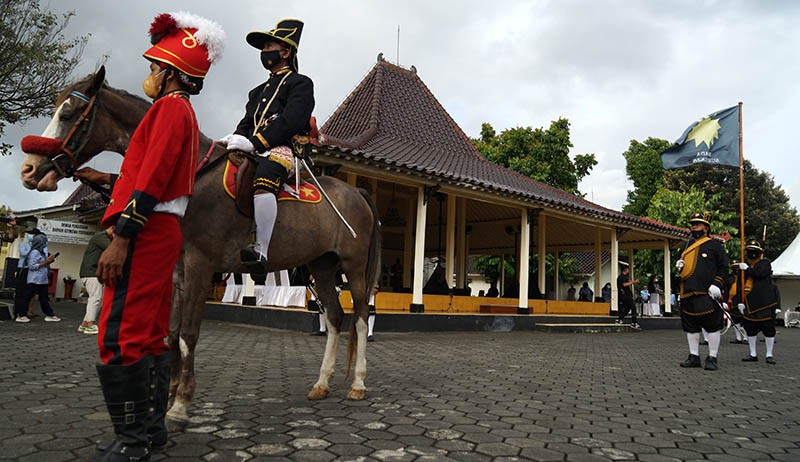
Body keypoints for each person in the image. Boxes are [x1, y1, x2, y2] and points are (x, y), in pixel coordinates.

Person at [89, 13, 224, 461]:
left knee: (119, 333)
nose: (148, 75)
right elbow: (141, 176)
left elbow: (153, 178)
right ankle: (150, 430)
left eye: (153, 68)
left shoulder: (169, 109)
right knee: (146, 334)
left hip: (144, 231)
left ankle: (131, 442)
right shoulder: (179, 111)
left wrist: (122, 236)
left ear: (171, 71)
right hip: (157, 226)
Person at [220, 19, 315, 275]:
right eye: (263, 48)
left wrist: (255, 143)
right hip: (254, 147)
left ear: (286, 52)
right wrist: (234, 140)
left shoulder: (300, 84)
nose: (264, 52)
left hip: (285, 149)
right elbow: (246, 122)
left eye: (269, 46)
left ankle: (261, 248)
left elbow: (291, 120)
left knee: (265, 177)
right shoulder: (257, 91)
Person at [675, 212, 729, 371]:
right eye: (692, 224)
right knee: (690, 327)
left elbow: (724, 268)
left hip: (707, 292)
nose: (694, 227)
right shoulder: (685, 246)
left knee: (712, 326)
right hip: (688, 292)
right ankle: (694, 356)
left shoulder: (715, 246)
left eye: (697, 224)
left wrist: (717, 284)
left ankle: (712, 357)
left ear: (706, 227)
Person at [733, 240, 779, 364]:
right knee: (750, 329)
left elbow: (759, 274)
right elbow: (739, 285)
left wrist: (747, 269)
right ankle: (752, 353)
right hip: (748, 303)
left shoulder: (765, 264)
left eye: (755, 252)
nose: (752, 254)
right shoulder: (744, 267)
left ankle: (769, 354)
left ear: (760, 253)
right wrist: (739, 301)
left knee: (768, 329)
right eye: (750, 251)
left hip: (763, 303)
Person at [17, 233, 61, 323]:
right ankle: (21, 315)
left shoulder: (42, 252)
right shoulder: (34, 252)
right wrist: (46, 262)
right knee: (27, 296)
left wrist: (48, 261)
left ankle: (49, 314)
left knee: (44, 298)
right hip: (34, 279)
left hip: (42, 279)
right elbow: (32, 266)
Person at [78, 228, 112, 334]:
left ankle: (84, 324)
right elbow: (112, 249)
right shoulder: (101, 237)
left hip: (90, 272)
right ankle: (90, 325)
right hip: (91, 272)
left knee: (98, 299)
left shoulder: (101, 237)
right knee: (96, 298)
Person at [13, 228, 41, 322]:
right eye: (30, 234)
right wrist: (33, 251)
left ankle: (24, 312)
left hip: (31, 269)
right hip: (23, 269)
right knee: (20, 292)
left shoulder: (38, 245)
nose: (31, 236)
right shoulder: (24, 244)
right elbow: (23, 253)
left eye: (33, 234)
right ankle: (19, 313)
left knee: (29, 292)